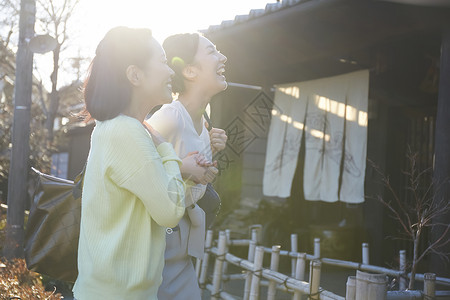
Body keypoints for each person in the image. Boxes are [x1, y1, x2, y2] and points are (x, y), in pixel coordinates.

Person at [72, 27, 204, 300]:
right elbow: (169, 211)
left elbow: (150, 190)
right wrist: (167, 150)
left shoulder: (118, 128)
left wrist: (177, 165)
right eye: (164, 62)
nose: (171, 72)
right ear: (134, 75)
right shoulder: (126, 131)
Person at [146, 32, 228, 300]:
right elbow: (136, 164)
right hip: (157, 239)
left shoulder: (205, 120)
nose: (222, 57)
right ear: (190, 70)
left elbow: (192, 175)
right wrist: (184, 167)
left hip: (182, 237)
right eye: (212, 51)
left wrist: (205, 171)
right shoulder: (170, 116)